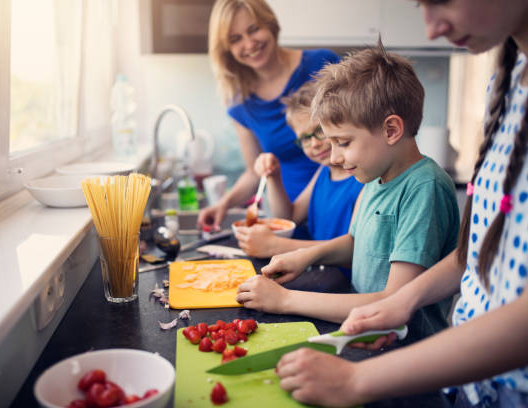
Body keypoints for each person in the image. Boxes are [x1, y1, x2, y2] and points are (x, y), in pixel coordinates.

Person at [273, 1, 528, 407]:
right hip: (470, 382)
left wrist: (355, 380)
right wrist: (401, 302)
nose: (431, 28)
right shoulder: (504, 86)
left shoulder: (423, 185)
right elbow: (474, 255)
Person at [236, 43, 460, 337]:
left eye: (343, 143)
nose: (334, 157)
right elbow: (358, 243)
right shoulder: (376, 176)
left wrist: (285, 300)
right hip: (363, 332)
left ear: (391, 130)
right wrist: (307, 257)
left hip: (403, 348)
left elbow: (393, 302)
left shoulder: (423, 189)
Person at [197, 0, 340, 232]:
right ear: (227, 50)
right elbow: (255, 171)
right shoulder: (240, 103)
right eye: (235, 39)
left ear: (270, 24)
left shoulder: (322, 64)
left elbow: (357, 132)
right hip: (291, 217)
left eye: (254, 29)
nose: (249, 44)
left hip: (341, 201)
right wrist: (223, 204)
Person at [233, 80, 363, 260]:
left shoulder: (363, 178)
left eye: (320, 131)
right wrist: (274, 177)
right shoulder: (323, 172)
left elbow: (354, 250)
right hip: (322, 274)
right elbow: (289, 218)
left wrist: (276, 246)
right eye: (305, 138)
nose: (315, 144)